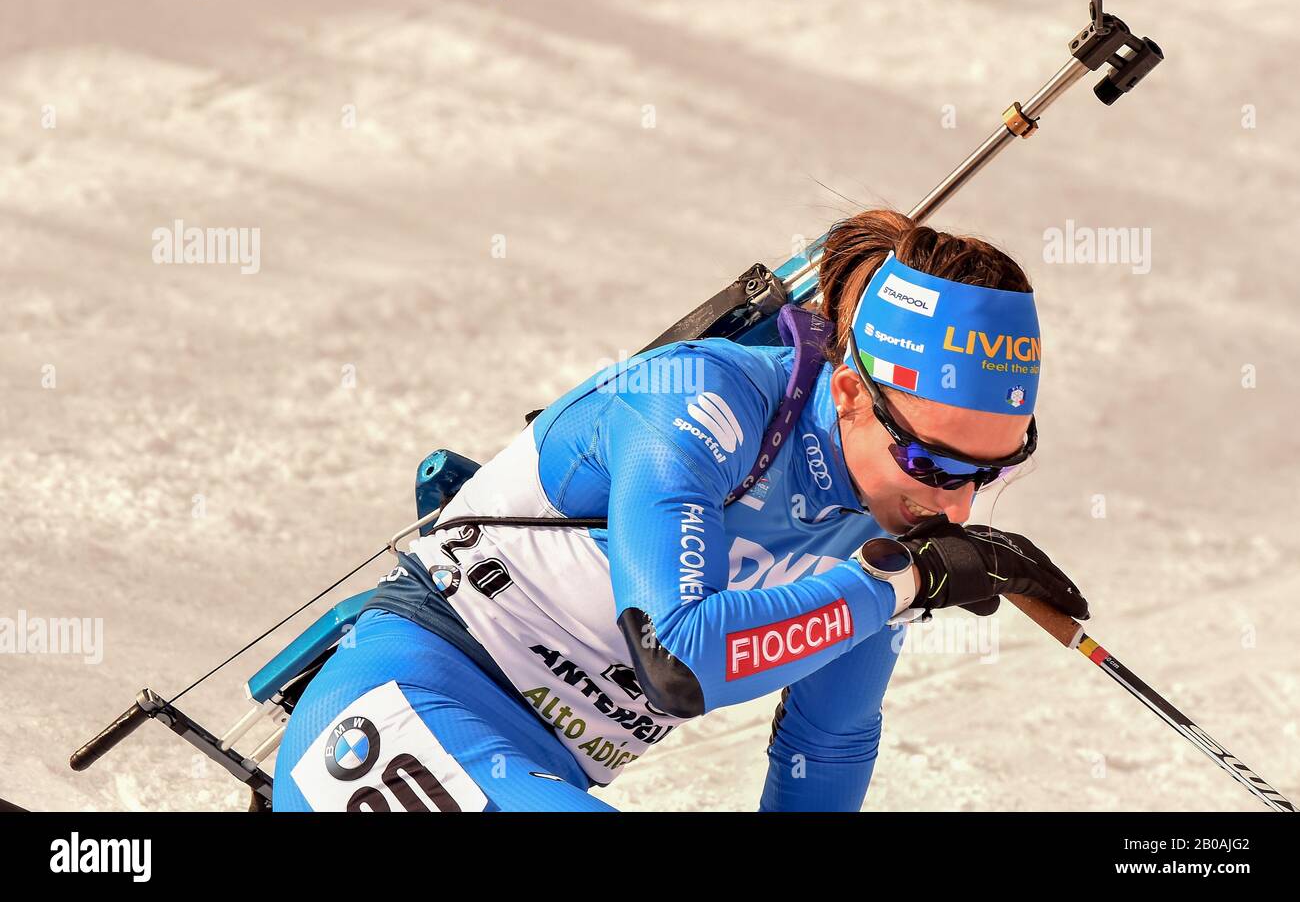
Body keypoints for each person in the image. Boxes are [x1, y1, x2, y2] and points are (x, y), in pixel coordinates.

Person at [272, 208, 1088, 812]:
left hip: (540, 775)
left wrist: (899, 576)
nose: (956, 502)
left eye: (991, 470)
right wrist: (899, 583)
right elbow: (683, 659)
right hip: (402, 703)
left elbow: (827, 743)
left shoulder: (893, 527)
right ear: (849, 394)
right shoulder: (700, 398)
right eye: (931, 459)